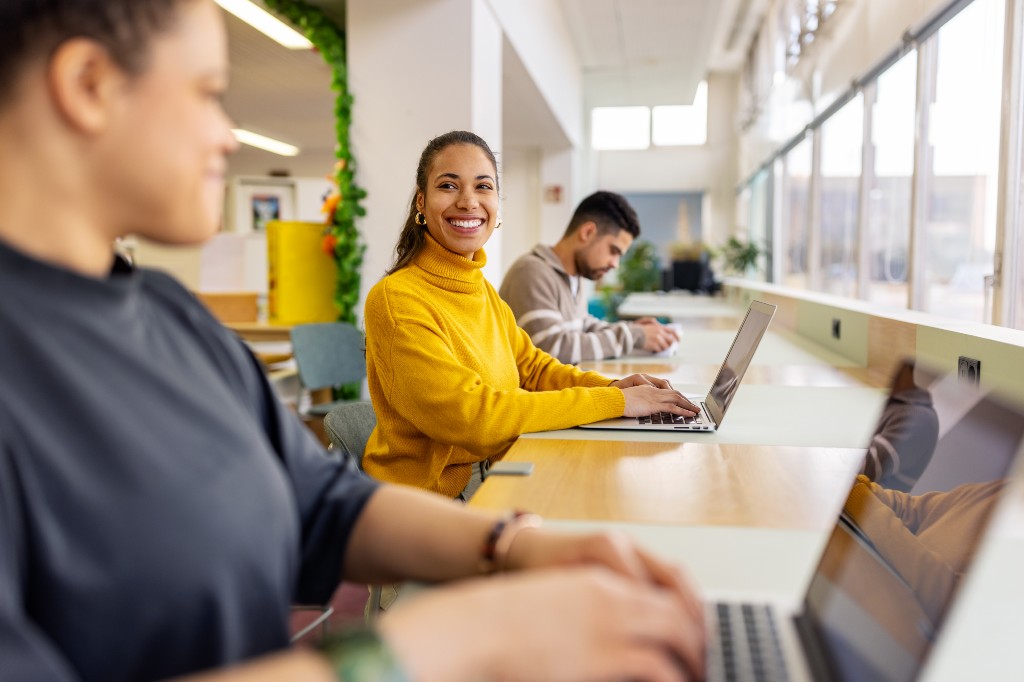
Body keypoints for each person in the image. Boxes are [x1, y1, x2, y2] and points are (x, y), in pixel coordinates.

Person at [0, 2, 710, 680]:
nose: (226, 134)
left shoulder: (167, 316)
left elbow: (319, 503)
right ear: (89, 85)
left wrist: (518, 544)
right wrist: (462, 637)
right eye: (208, 92)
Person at [362, 131, 698, 501]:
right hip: (424, 503)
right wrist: (615, 403)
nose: (468, 201)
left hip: (494, 472)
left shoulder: (481, 289)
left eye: (483, 186)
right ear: (421, 203)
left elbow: (534, 369)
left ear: (496, 204)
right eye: (448, 185)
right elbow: (473, 418)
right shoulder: (396, 300)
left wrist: (611, 388)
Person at [499, 191, 680, 364]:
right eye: (613, 251)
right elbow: (552, 349)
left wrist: (634, 330)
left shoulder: (572, 276)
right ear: (587, 232)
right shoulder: (531, 271)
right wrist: (633, 336)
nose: (615, 264)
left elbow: (582, 326)